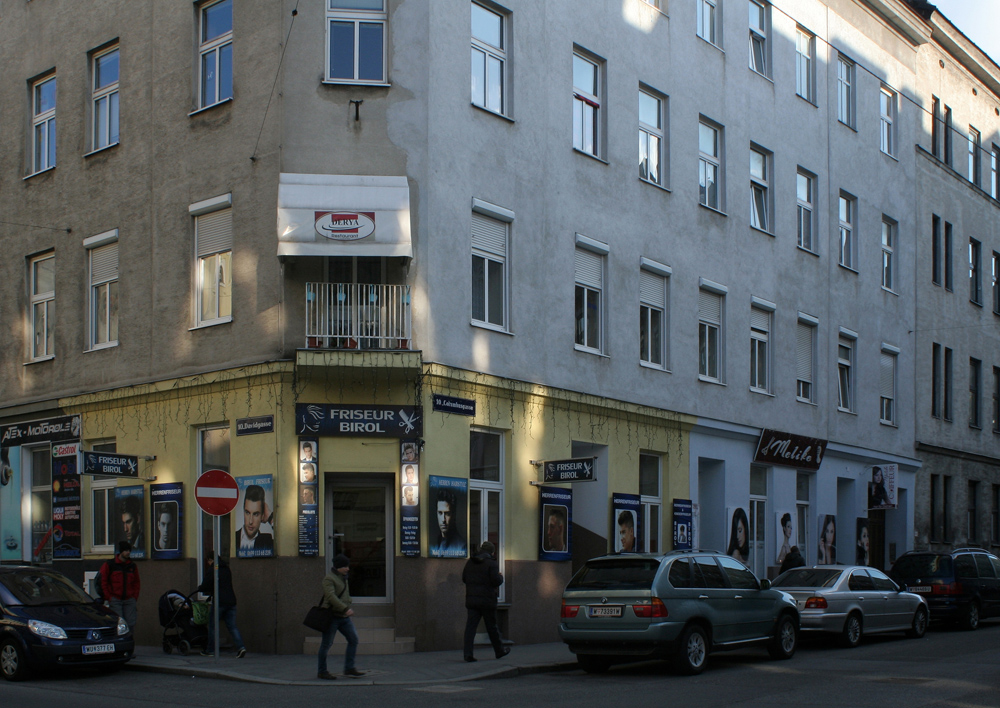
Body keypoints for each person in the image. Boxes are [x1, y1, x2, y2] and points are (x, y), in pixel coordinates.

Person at [317, 554, 364, 679]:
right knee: (326, 644)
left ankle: (349, 668)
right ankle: (322, 671)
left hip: (343, 617)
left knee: (353, 639)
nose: (348, 568)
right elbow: (330, 597)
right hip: (332, 616)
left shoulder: (344, 577)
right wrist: (345, 608)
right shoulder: (329, 579)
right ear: (338, 567)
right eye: (345, 566)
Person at [462, 541, 509, 663]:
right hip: (487, 600)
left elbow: (464, 578)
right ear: (491, 552)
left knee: (470, 628)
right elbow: (496, 581)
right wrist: (500, 577)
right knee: (492, 627)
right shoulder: (491, 563)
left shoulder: (470, 562)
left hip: (472, 600)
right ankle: (499, 651)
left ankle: (468, 654)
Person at [198, 552, 246, 658]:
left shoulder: (213, 569)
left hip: (220, 602)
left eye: (209, 561)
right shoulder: (226, 568)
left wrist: (201, 588)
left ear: (211, 560)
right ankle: (241, 647)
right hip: (231, 601)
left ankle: (210, 650)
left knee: (212, 626)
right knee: (232, 626)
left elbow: (207, 584)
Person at [100, 541, 140, 631]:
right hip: (115, 599)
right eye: (126, 550)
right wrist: (109, 597)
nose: (128, 552)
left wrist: (134, 597)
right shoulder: (110, 565)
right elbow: (103, 581)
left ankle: (129, 642)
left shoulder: (132, 566)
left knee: (130, 623)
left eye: (129, 550)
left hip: (129, 599)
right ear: (121, 552)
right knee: (117, 623)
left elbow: (136, 582)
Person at [235, 485, 273, 555]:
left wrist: (270, 518)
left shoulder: (267, 541)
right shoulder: (234, 537)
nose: (250, 521)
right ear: (243, 511)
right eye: (247, 513)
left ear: (262, 516)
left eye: (256, 514)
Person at [434, 489, 465, 553]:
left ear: (453, 515)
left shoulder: (461, 546)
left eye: (447, 514)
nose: (443, 520)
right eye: (440, 513)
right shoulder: (436, 543)